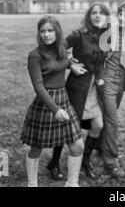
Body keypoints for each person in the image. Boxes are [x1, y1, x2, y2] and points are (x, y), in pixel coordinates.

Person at [47, 3, 109, 180]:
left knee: (98, 125)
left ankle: (85, 160)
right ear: (89, 16)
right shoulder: (79, 34)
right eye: (94, 13)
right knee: (66, 126)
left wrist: (101, 77)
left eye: (101, 13)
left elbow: (102, 61)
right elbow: (58, 48)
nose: (97, 16)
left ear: (106, 16)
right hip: (77, 87)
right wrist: (70, 64)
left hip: (94, 89)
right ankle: (54, 162)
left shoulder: (106, 36)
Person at [20, 16, 84, 187]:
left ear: (57, 32)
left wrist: (71, 65)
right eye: (42, 31)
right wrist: (55, 109)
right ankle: (32, 184)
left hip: (63, 99)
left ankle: (72, 183)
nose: (46, 35)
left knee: (77, 145)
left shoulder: (61, 47)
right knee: (36, 147)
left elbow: (62, 59)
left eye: (50, 30)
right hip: (46, 103)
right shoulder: (34, 56)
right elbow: (39, 87)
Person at [95, 1, 125, 178]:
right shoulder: (108, 30)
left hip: (122, 80)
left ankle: (100, 146)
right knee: (112, 119)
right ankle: (111, 163)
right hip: (108, 79)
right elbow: (96, 53)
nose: (121, 17)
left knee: (109, 116)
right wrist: (100, 77)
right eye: (120, 13)